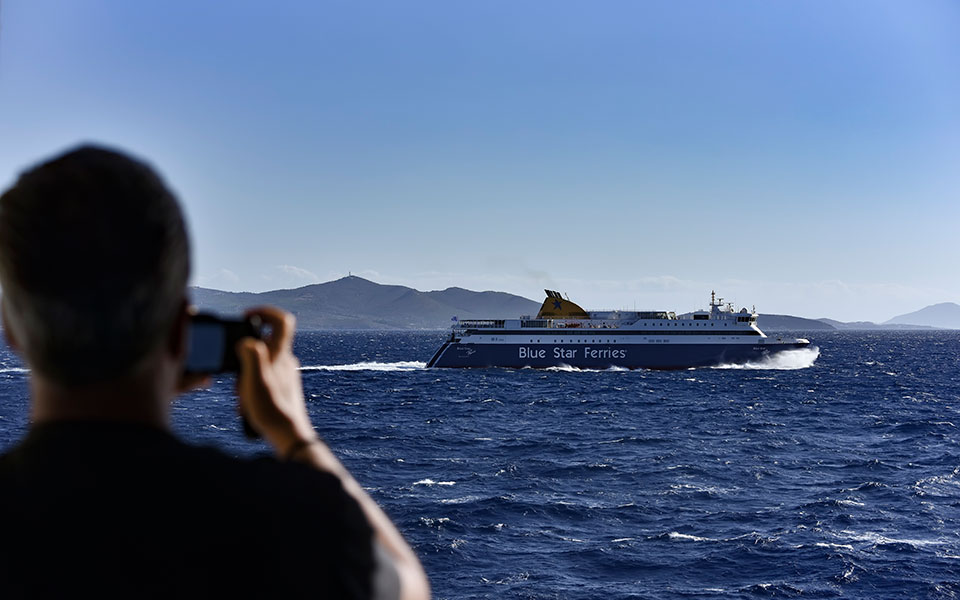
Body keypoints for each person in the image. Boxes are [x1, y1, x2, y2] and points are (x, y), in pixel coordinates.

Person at [0, 145, 430, 599]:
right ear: (181, 330)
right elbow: (408, 588)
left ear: (11, 331)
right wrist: (295, 433)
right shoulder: (290, 522)